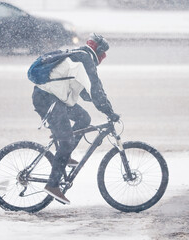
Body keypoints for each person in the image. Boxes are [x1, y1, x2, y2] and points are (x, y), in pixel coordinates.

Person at [31, 33, 120, 204]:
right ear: (99, 52)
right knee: (66, 141)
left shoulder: (80, 55)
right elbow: (96, 91)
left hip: (53, 98)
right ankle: (53, 185)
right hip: (47, 98)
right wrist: (109, 111)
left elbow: (88, 93)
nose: (104, 57)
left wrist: (103, 106)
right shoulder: (84, 59)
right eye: (103, 54)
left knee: (83, 118)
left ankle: (64, 154)